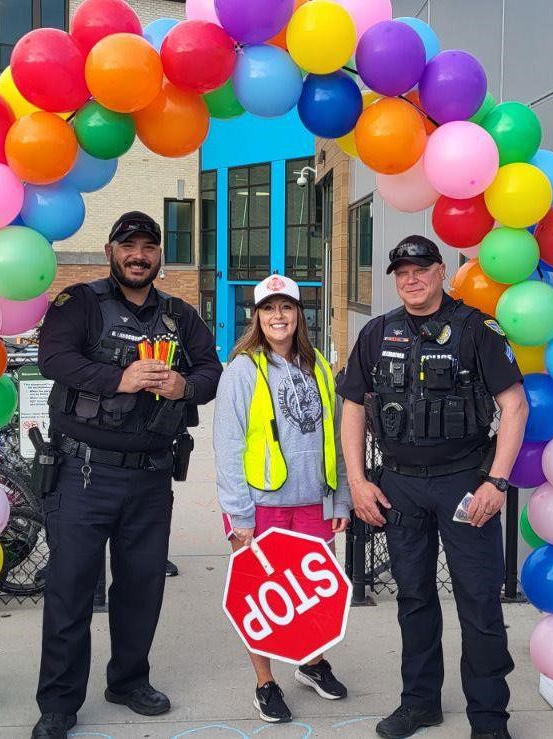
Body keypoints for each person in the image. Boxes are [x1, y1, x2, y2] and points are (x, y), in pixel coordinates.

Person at [32, 211, 223, 739]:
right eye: (129, 246)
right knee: (70, 591)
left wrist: (184, 386)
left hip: (151, 477)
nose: (139, 256)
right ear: (110, 252)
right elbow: (54, 359)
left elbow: (211, 370)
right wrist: (121, 378)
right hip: (82, 473)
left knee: (141, 588)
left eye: (148, 247)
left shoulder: (180, 315)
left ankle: (129, 681)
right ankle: (59, 703)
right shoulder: (80, 303)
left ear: (159, 255)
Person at [337, 236, 529, 739]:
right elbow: (353, 405)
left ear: (441, 271)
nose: (411, 279)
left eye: (420, 269)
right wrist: (357, 481)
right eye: (402, 272)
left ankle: (489, 718)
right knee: (414, 599)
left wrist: (497, 481)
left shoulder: (477, 330)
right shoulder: (378, 332)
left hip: (465, 484)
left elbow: (515, 405)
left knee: (479, 602)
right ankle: (419, 703)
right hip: (399, 485)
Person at [213, 274, 354, 724]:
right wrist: (239, 514)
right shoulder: (242, 370)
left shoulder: (319, 368)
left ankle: (311, 664)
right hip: (260, 506)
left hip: (313, 501)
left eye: (286, 307)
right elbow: (227, 445)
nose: (278, 316)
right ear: (256, 316)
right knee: (261, 598)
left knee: (312, 595)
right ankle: (265, 684)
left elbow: (337, 439)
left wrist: (341, 499)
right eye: (269, 308)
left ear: (299, 314)